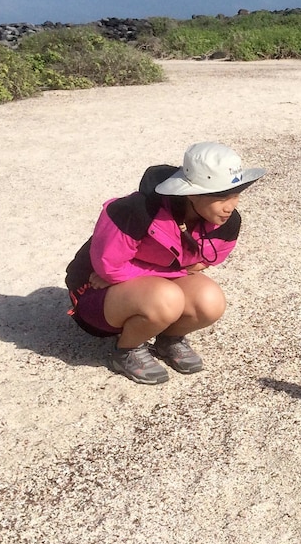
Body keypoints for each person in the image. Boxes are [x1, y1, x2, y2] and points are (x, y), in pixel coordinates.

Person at [65, 142, 265, 384]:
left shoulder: (227, 223)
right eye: (221, 196)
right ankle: (125, 350)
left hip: (137, 286)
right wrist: (173, 273)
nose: (230, 206)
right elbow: (109, 268)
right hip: (94, 291)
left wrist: (158, 273)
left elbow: (203, 264)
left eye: (236, 195)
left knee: (210, 302)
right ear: (192, 193)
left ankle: (169, 338)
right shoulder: (135, 211)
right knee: (166, 298)